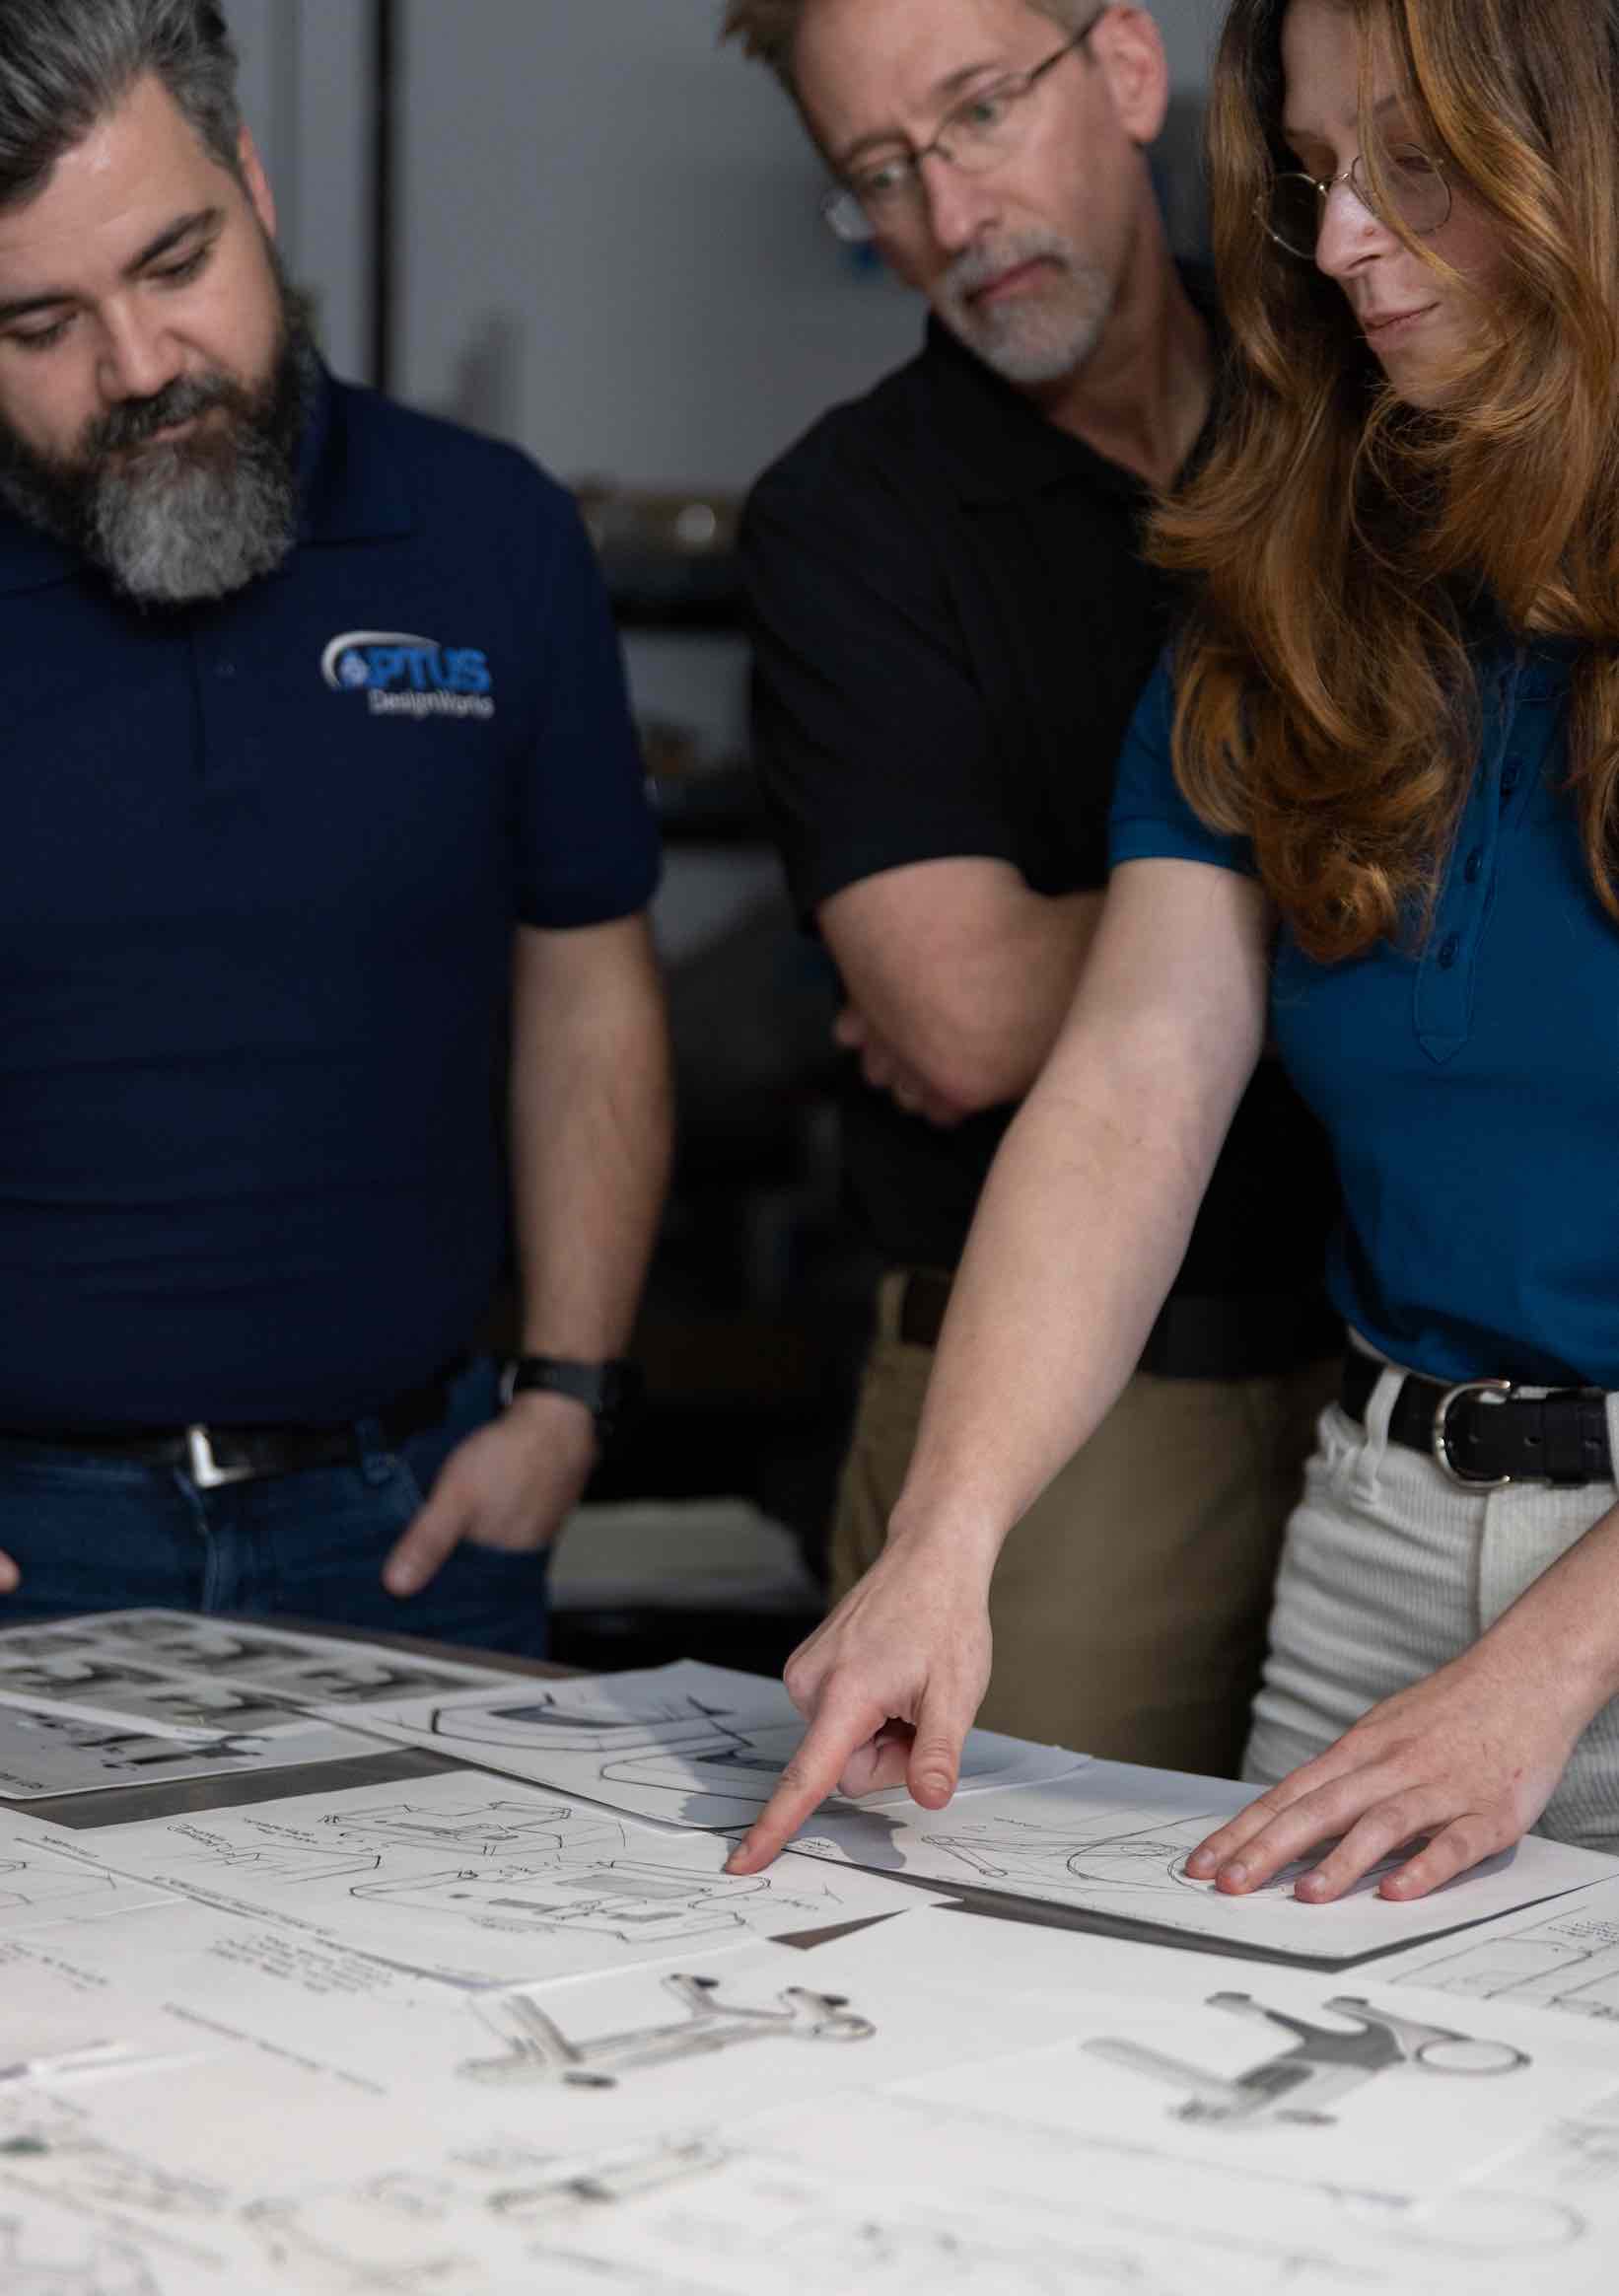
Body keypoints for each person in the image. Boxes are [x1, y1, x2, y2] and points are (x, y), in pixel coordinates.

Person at [730, 0, 1619, 1887]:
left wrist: (1536, 1680)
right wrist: (943, 1544)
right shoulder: (1293, 574)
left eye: (1415, 166)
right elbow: (1131, 1083)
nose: (1343, 243)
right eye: (1311, 177)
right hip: (1378, 1519)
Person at [0, 0, 671, 1649]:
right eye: (40, 324)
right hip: (27, 1546)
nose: (139, 366)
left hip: (413, 1525)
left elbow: (586, 984)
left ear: (253, 183)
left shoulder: (490, 534)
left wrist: (567, 1397)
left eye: (174, 263)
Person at [723, 0, 1341, 1776]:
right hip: (1069, 1430)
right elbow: (967, 1017)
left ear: (1127, 70)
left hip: (1393, 1376)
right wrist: (1363, 876)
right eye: (879, 174)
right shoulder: (846, 521)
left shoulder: (1363, 386)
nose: (949, 213)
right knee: (995, 1955)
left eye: (978, 113)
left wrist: (1127, 919)